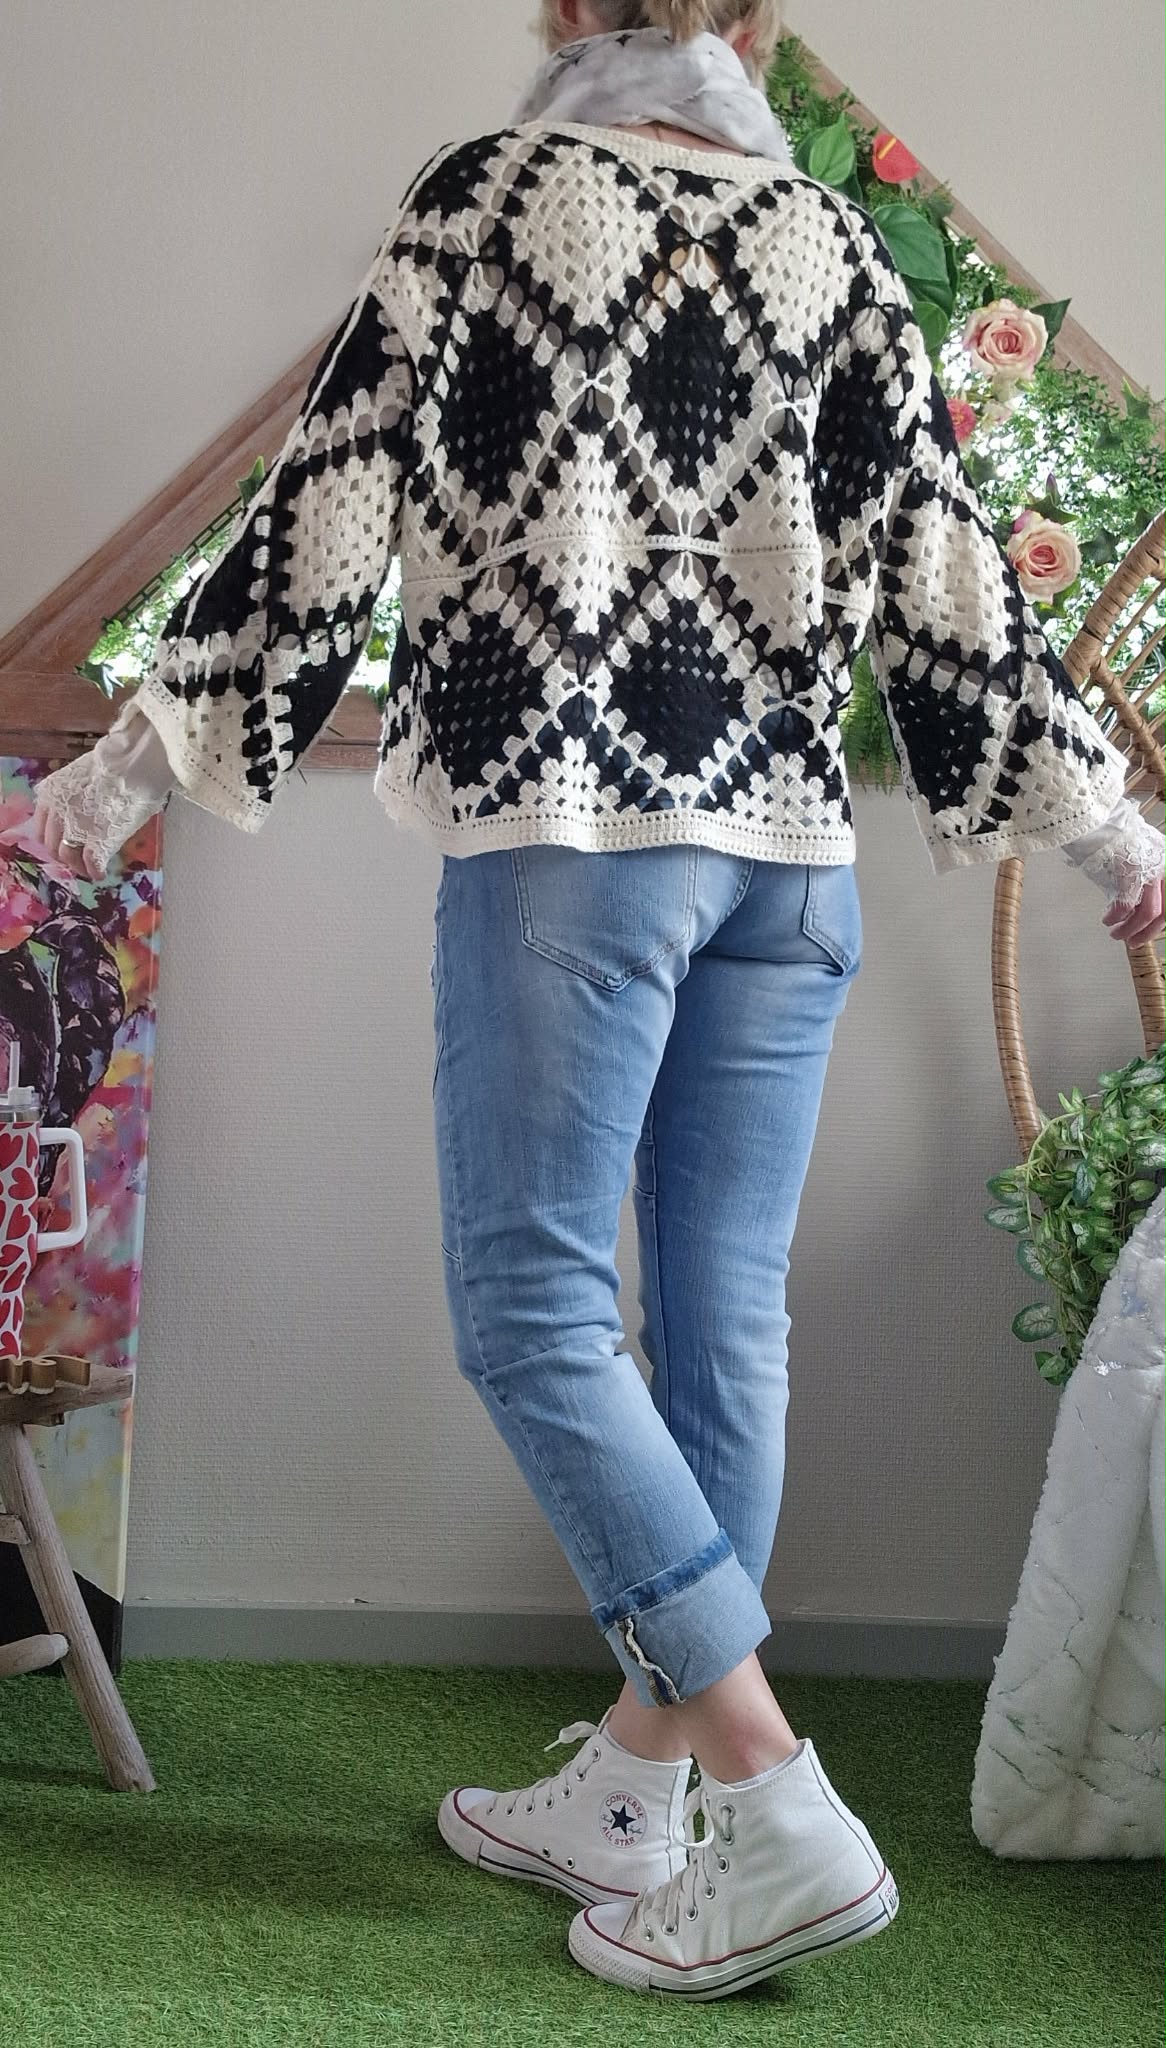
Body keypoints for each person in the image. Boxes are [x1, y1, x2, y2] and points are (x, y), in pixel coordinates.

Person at [23, 0, 1166, 2004]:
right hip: (788, 864)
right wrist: (1120, 844)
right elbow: (954, 584)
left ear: (564, 13)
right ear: (744, 24)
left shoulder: (489, 200)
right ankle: (644, 1784)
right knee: (724, 1320)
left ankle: (772, 1794)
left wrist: (102, 792)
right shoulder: (831, 243)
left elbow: (319, 521)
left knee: (535, 1311)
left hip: (574, 840)